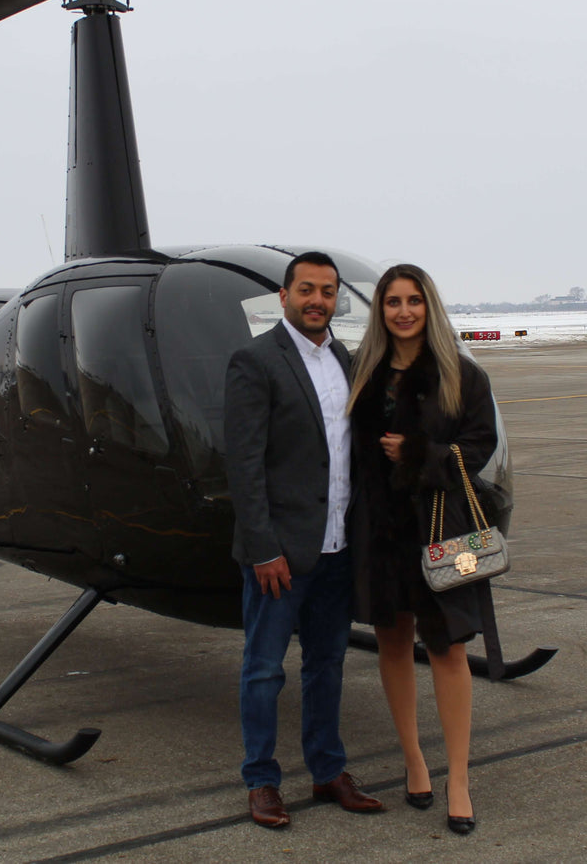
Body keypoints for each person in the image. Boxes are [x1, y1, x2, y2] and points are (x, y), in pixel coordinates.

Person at [224, 251, 384, 829]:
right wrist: (264, 549)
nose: (318, 300)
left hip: (336, 549)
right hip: (281, 555)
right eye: (307, 289)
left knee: (328, 666)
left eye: (328, 292)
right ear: (285, 295)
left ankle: (327, 771)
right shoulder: (256, 360)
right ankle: (262, 781)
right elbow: (243, 466)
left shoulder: (342, 358)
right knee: (264, 670)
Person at [345, 263, 499, 836]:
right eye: (392, 302)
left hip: (438, 526)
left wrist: (418, 453)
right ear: (380, 310)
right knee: (391, 640)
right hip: (378, 530)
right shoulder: (364, 373)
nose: (403, 311)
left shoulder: (461, 374)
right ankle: (414, 759)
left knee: (448, 649)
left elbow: (477, 447)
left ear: (428, 307)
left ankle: (458, 777)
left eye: (413, 301)